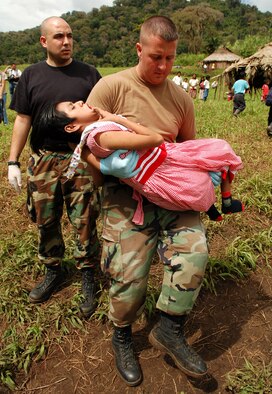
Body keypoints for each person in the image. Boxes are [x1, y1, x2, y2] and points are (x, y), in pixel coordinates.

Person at [85, 15, 223, 387]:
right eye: (155, 57)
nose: (163, 66)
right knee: (128, 278)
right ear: (139, 49)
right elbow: (88, 145)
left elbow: (189, 152)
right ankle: (122, 334)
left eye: (170, 58)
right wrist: (115, 172)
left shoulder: (181, 98)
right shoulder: (111, 88)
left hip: (171, 193)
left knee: (194, 254)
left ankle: (170, 329)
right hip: (125, 196)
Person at [7, 16, 102, 318]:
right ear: (44, 41)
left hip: (82, 157)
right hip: (44, 160)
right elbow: (23, 119)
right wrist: (13, 161)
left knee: (85, 218)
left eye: (70, 35)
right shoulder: (31, 75)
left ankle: (88, 273)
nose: (66, 41)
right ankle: (53, 269)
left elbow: (101, 114)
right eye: (59, 36)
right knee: (45, 219)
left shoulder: (89, 74)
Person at [36, 100, 244, 224]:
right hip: (162, 166)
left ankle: (223, 203)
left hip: (163, 161)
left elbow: (98, 167)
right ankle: (223, 202)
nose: (80, 102)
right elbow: (155, 140)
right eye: (73, 107)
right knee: (214, 162)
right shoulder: (101, 135)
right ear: (70, 127)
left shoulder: (90, 139)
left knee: (216, 157)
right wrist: (118, 119)